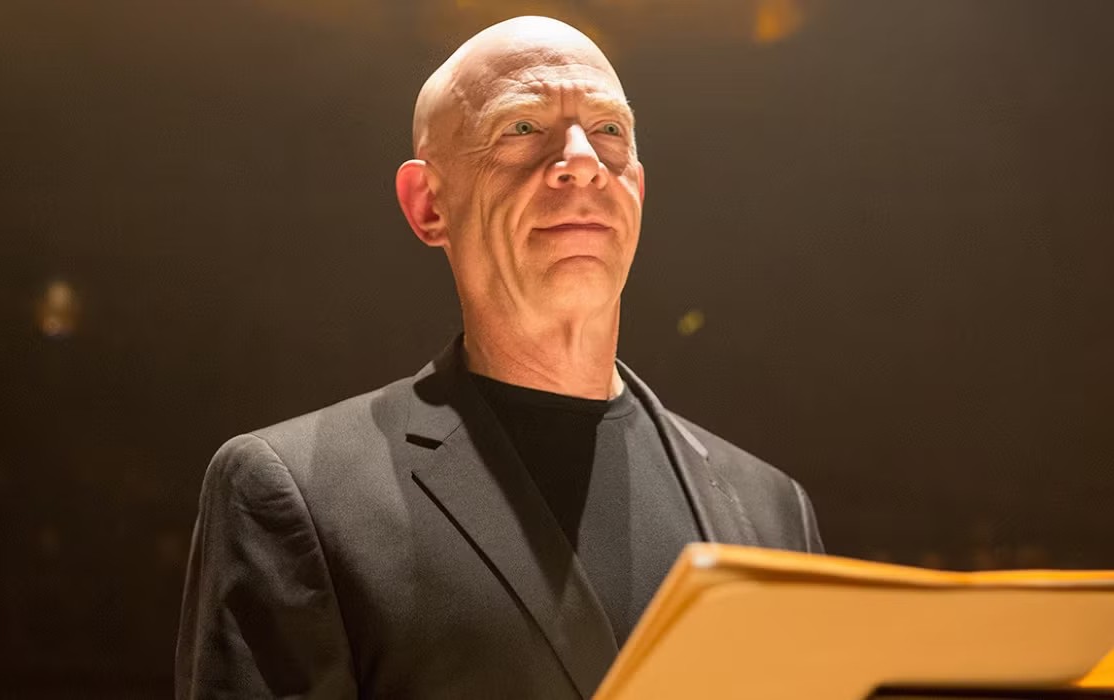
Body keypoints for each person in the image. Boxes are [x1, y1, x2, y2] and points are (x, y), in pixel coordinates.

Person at [175, 15, 823, 699]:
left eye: (609, 132)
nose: (581, 160)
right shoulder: (297, 492)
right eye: (521, 128)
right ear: (429, 204)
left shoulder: (774, 512)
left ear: (635, 188)